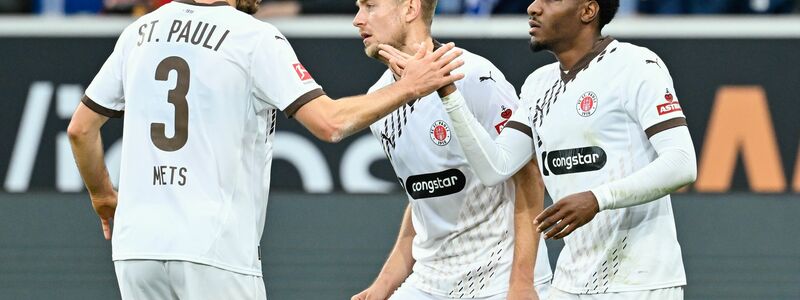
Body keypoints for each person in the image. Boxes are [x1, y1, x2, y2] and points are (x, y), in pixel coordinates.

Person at [66, 0, 463, 298]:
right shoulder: (252, 37)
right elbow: (330, 123)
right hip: (214, 250)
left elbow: (81, 130)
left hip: (136, 249)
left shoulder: (138, 33)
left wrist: (103, 196)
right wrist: (410, 86)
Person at [381, 0, 697, 298]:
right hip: (570, 283)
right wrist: (448, 92)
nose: (533, 7)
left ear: (587, 10)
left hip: (641, 282)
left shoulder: (636, 65)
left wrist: (597, 199)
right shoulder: (538, 85)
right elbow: (496, 168)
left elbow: (682, 164)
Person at [349, 0, 552, 299]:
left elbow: (529, 176)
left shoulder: (473, 75)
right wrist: (383, 285)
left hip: (498, 279)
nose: (357, 20)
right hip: (430, 281)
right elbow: (423, 198)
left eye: (369, 6)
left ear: (410, 9)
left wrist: (522, 282)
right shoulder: (379, 98)